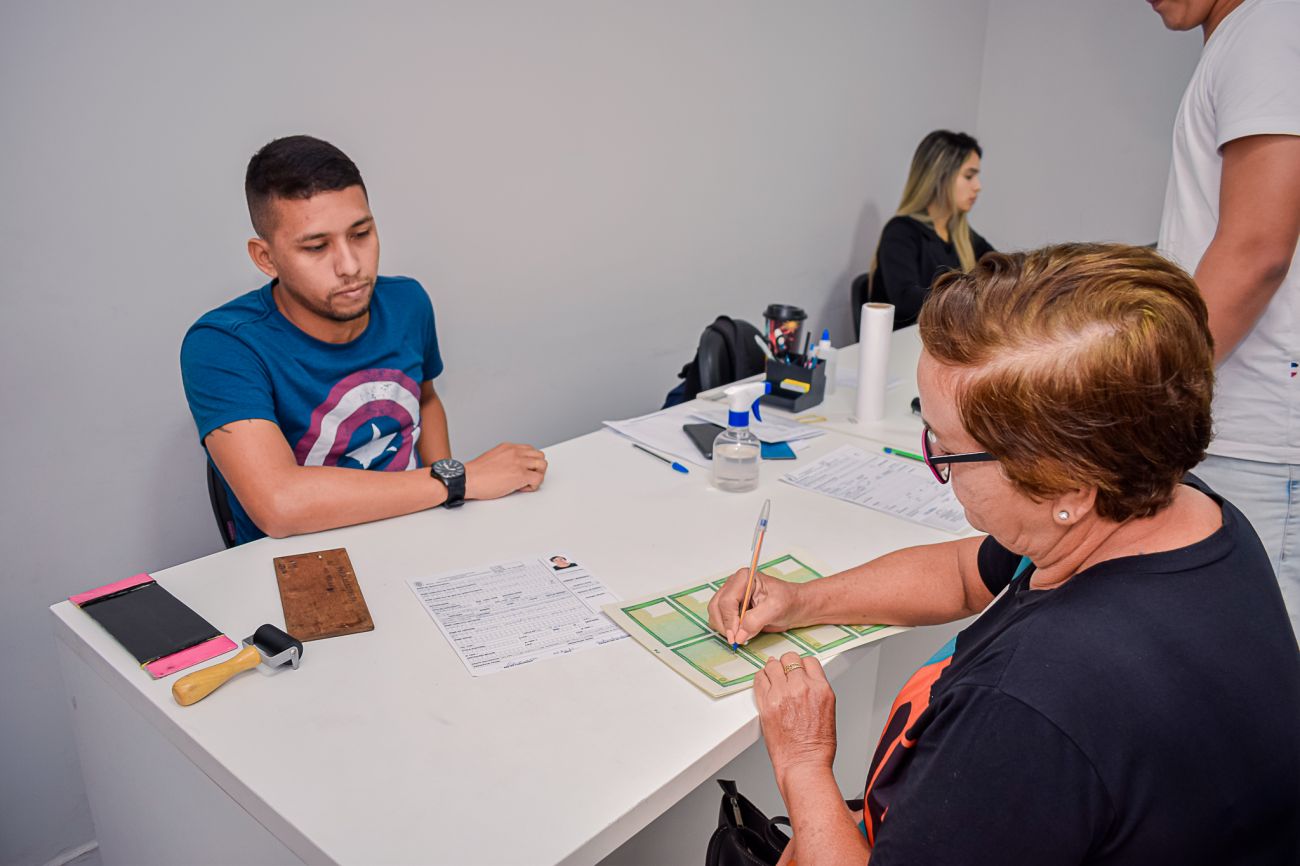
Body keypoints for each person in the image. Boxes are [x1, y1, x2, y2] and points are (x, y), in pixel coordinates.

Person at [709, 245, 1299, 864]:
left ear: (1067, 489)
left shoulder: (1027, 709)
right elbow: (965, 573)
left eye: (948, 450)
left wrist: (802, 762)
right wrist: (802, 600)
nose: (936, 465)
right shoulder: (1176, 510)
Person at [181, 135, 548, 544]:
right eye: (316, 247)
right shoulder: (223, 345)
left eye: (361, 234)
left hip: (415, 531)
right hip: (307, 561)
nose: (350, 266)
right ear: (266, 258)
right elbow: (280, 505)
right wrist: (458, 480)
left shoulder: (408, 302)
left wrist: (450, 505)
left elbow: (425, 399)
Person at [1150, 0, 1300, 635]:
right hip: (1235, 426)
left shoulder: (1268, 26)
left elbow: (1257, 250)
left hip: (1256, 442)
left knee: (1253, 671)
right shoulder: (1248, 36)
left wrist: (1144, 395)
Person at [860, 130, 994, 330]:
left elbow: (1000, 269)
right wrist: (970, 301)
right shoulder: (900, 232)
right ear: (940, 178)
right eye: (969, 176)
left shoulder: (961, 235)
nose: (978, 186)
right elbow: (906, 300)